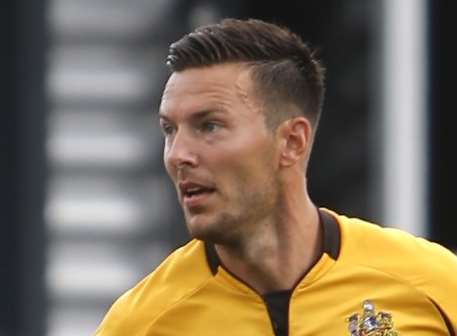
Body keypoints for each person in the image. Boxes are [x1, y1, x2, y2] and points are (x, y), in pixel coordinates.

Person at [95, 18, 457, 336]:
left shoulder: (435, 285)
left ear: (291, 141)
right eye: (169, 130)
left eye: (209, 126)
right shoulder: (141, 324)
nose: (178, 156)